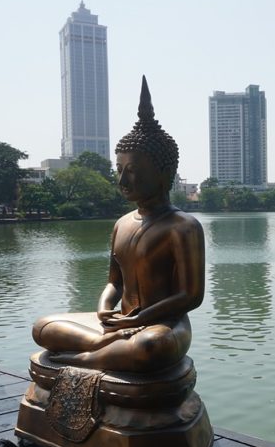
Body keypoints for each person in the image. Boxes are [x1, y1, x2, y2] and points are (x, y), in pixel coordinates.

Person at [32, 77, 205, 373]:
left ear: (164, 175)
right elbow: (115, 281)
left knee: (152, 347)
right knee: (43, 327)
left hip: (164, 326)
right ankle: (104, 346)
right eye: (119, 170)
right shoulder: (122, 224)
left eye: (133, 171)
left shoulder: (183, 226)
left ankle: (84, 358)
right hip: (121, 323)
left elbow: (190, 296)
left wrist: (139, 320)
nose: (123, 180)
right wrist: (104, 310)